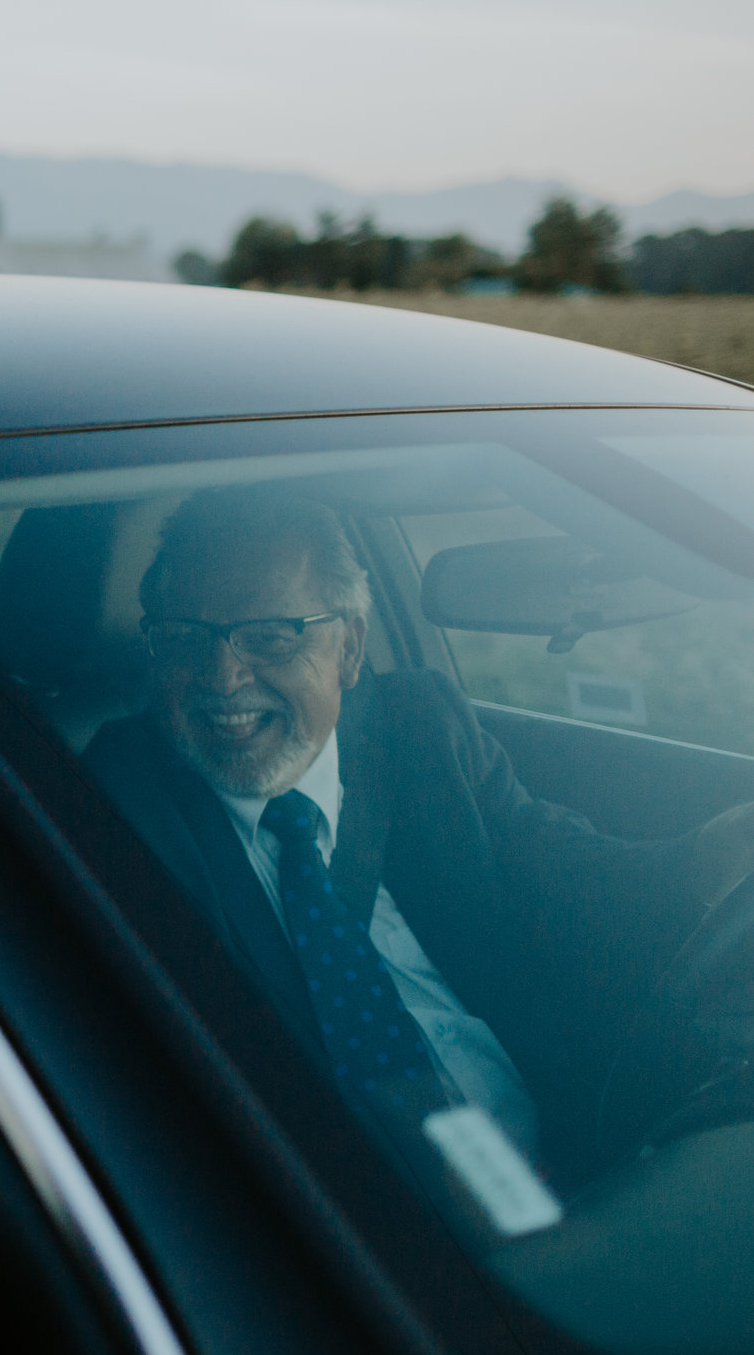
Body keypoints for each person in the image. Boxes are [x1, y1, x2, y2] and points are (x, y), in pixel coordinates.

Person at [81, 488, 754, 1171]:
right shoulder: (121, 798)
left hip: (565, 1158)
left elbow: (560, 868)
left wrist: (709, 857)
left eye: (269, 636)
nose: (222, 677)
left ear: (349, 647)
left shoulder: (417, 725)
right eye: (185, 639)